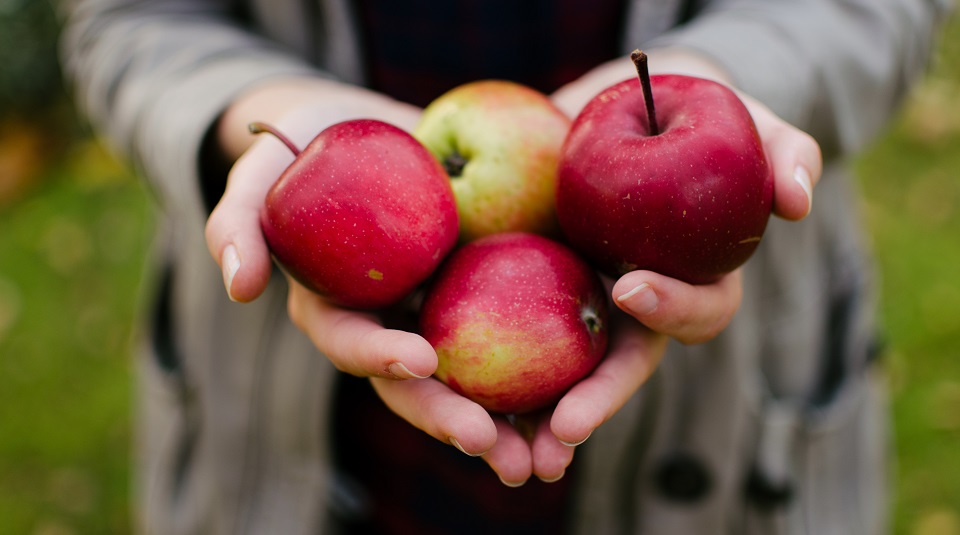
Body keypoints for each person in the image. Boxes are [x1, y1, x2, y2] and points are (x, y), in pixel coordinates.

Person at [59, 0, 950, 533]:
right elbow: (131, 17)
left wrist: (727, 71)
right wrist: (254, 109)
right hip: (296, 428)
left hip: (725, 414)